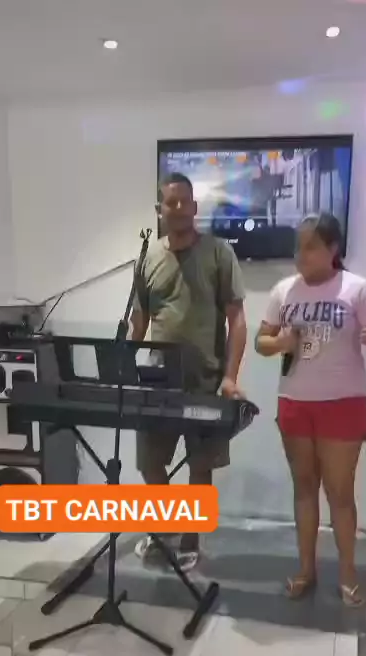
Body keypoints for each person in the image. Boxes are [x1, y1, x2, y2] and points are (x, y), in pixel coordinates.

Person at [255, 212, 366, 606]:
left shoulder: (356, 289)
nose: (301, 255)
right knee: (303, 489)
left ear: (333, 249)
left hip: (342, 405)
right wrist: (280, 343)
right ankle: (306, 570)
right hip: (294, 403)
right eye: (298, 247)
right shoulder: (284, 291)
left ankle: (348, 573)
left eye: (311, 247)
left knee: (339, 493)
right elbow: (261, 343)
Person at [130, 172, 247, 569]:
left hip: (205, 382)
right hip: (158, 383)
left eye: (185, 202)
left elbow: (237, 319)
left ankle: (191, 538)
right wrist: (123, 367)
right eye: (170, 202)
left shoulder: (218, 253)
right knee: (149, 462)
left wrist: (230, 377)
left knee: (200, 466)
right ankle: (162, 527)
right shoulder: (147, 258)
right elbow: (139, 323)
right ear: (159, 209)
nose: (178, 208)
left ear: (195, 207)